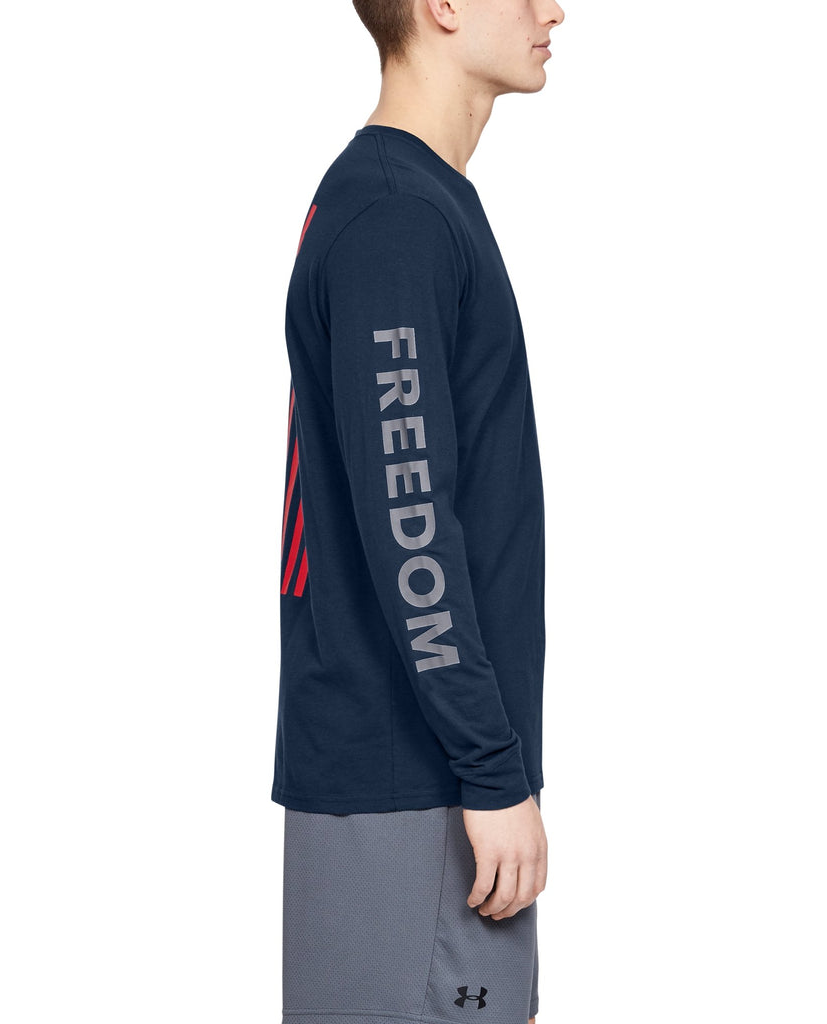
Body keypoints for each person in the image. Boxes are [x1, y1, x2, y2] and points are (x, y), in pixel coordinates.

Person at [273, 2, 564, 1022]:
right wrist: (492, 772)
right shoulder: (396, 217)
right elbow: (413, 529)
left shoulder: (410, 202)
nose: (552, 10)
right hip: (415, 782)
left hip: (412, 777)